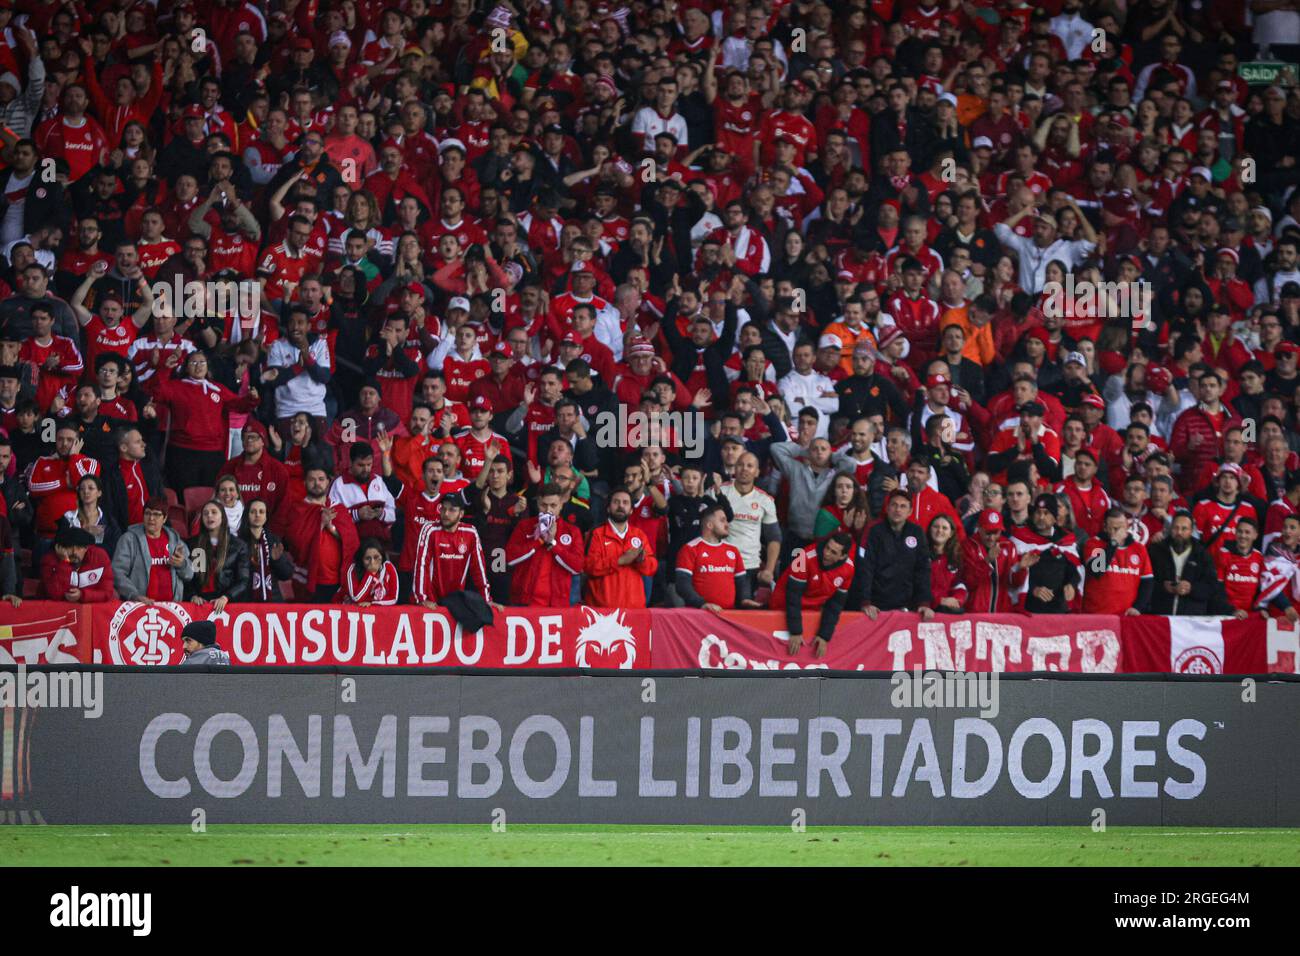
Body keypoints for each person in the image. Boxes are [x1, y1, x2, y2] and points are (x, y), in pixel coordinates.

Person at [848, 490, 934, 618]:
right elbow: (866, 567)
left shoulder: (917, 532)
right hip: (876, 605)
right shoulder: (874, 531)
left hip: (906, 604)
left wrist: (924, 602)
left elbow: (922, 569)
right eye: (894, 505)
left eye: (903, 506)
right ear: (887, 508)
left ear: (910, 511)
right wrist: (865, 601)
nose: (898, 509)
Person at [772, 531, 856, 657]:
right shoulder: (803, 557)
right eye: (827, 547)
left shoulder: (848, 569)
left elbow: (835, 605)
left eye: (833, 552)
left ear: (842, 557)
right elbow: (793, 597)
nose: (827, 553)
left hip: (812, 611)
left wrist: (824, 636)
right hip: (782, 607)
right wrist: (795, 631)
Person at [504, 483, 585, 607]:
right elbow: (509, 558)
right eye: (544, 505)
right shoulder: (524, 526)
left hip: (557, 604)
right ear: (537, 504)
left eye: (553, 505)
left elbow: (577, 567)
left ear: (561, 505)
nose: (548, 510)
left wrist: (553, 543)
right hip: (524, 601)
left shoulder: (572, 531)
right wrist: (539, 540)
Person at [1147, 510, 1236, 615]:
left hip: (1192, 622)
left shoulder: (1202, 554)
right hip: (1161, 618)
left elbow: (1211, 587)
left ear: (1191, 530)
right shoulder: (1157, 551)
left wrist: (1191, 588)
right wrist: (1164, 587)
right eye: (1176, 528)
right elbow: (1147, 582)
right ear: (1171, 529)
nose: (1179, 532)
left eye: (1184, 528)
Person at [411, 492, 492, 607]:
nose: (446, 513)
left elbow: (478, 569)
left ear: (461, 514)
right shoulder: (430, 530)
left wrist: (486, 599)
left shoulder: (470, 533)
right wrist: (421, 598)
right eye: (443, 509)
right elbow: (421, 565)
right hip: (430, 602)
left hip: (456, 601)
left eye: (452, 510)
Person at [585, 486, 659, 609]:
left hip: (634, 610)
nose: (621, 506)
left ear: (631, 510)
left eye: (625, 502)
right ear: (608, 508)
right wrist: (620, 560)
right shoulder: (596, 534)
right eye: (616, 502)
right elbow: (589, 566)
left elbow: (652, 567)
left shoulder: (639, 535)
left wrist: (642, 561)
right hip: (602, 612)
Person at [111, 495, 193, 603]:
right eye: (147, 513)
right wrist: (134, 595)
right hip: (139, 606)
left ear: (164, 518)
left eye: (156, 514)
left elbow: (189, 575)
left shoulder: (175, 540)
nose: (151, 518)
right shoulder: (129, 540)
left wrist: (182, 564)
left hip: (172, 608)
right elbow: (117, 572)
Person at [676, 502, 751, 611]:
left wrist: (745, 598)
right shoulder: (690, 549)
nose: (727, 524)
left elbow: (741, 581)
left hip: (729, 615)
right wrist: (702, 604)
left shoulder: (733, 550)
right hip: (699, 616)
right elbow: (682, 584)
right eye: (722, 520)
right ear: (709, 525)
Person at [1081, 508, 1153, 616]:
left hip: (1126, 615)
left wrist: (1138, 607)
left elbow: (1147, 581)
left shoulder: (1139, 548)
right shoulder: (1094, 544)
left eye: (1123, 527)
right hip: (1096, 614)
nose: (1119, 532)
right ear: (1105, 528)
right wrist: (1113, 543)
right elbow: (1097, 570)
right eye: (1115, 528)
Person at [185, 500, 250, 614]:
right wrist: (192, 596)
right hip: (200, 604)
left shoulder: (239, 546)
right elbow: (189, 576)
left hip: (227, 604)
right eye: (205, 513)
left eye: (214, 512)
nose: (209, 515)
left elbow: (243, 580)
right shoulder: (193, 544)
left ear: (222, 517)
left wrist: (226, 597)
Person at [237, 498, 295, 602]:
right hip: (246, 601)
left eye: (261, 512)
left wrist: (277, 560)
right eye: (253, 512)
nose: (257, 515)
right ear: (247, 515)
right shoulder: (238, 543)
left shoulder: (273, 540)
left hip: (273, 600)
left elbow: (286, 574)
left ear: (266, 516)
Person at [39, 526, 115, 603]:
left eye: (79, 548)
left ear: (86, 548)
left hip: (90, 608)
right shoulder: (49, 560)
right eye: (70, 547)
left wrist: (82, 595)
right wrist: (64, 562)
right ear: (61, 548)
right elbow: (54, 595)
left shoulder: (99, 557)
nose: (74, 552)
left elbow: (107, 592)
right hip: (58, 610)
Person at [344, 538, 399, 606]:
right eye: (367, 558)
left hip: (377, 612)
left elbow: (393, 598)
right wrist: (371, 573)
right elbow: (356, 598)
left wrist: (372, 604)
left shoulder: (388, 567)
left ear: (382, 556)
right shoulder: (352, 570)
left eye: (376, 557)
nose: (372, 562)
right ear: (361, 559)